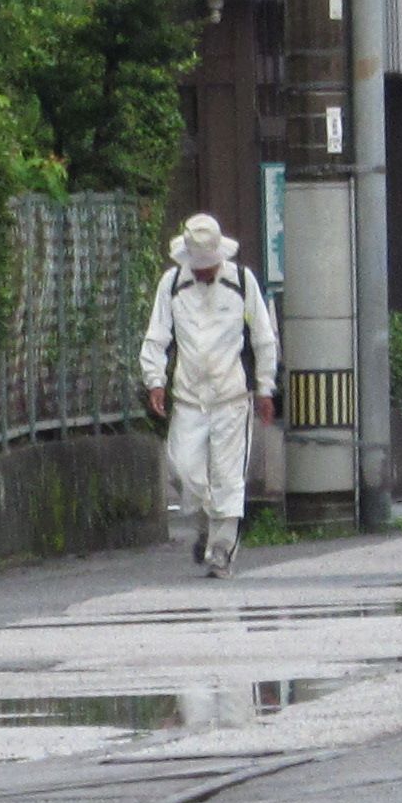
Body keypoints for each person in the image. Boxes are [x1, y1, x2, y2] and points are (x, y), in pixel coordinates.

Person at [140, 212, 280, 577]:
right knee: (183, 470)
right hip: (188, 396)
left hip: (232, 396)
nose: (203, 271)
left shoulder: (243, 282)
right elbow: (157, 335)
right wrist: (155, 379)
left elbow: (264, 338)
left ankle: (222, 551)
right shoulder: (171, 285)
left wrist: (265, 387)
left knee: (229, 476)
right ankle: (207, 523)